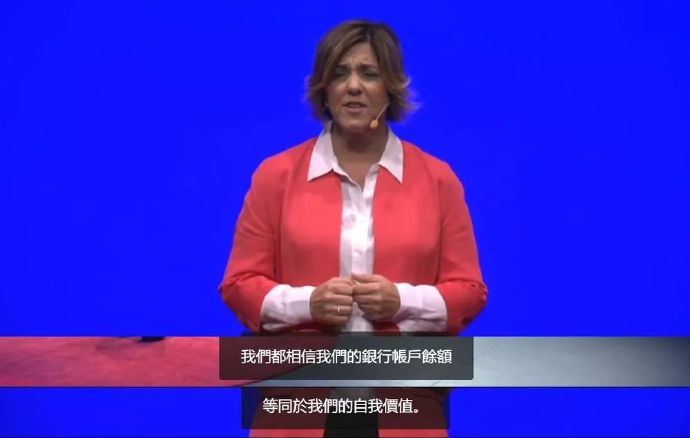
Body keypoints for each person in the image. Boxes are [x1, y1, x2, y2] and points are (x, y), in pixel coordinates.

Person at [220, 19, 488, 438]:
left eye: (369, 73)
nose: (353, 86)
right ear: (323, 88)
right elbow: (240, 286)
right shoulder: (276, 176)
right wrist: (309, 304)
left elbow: (468, 292)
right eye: (340, 74)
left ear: (391, 87)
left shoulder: (438, 180)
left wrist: (401, 300)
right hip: (296, 404)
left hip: (405, 404)